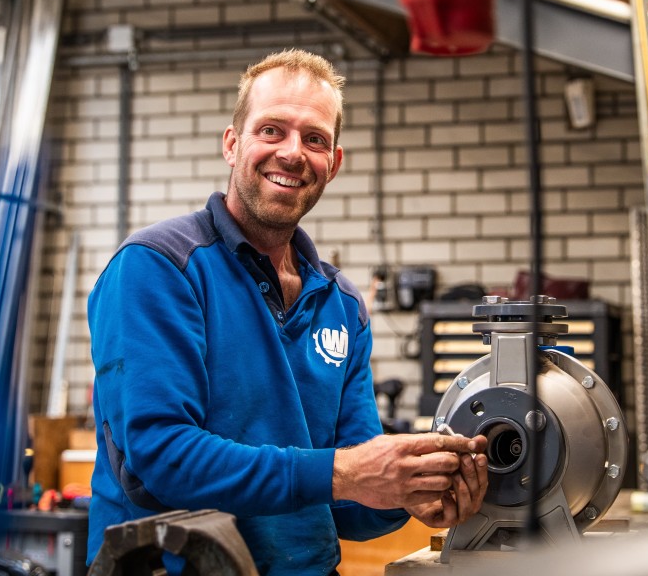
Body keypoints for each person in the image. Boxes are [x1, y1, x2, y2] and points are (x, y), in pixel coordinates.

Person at [86, 49, 489, 574]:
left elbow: (344, 497)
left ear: (334, 163)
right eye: (271, 130)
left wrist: (405, 495)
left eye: (314, 139)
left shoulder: (341, 304)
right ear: (233, 144)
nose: (293, 153)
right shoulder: (160, 268)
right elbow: (161, 458)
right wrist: (343, 473)